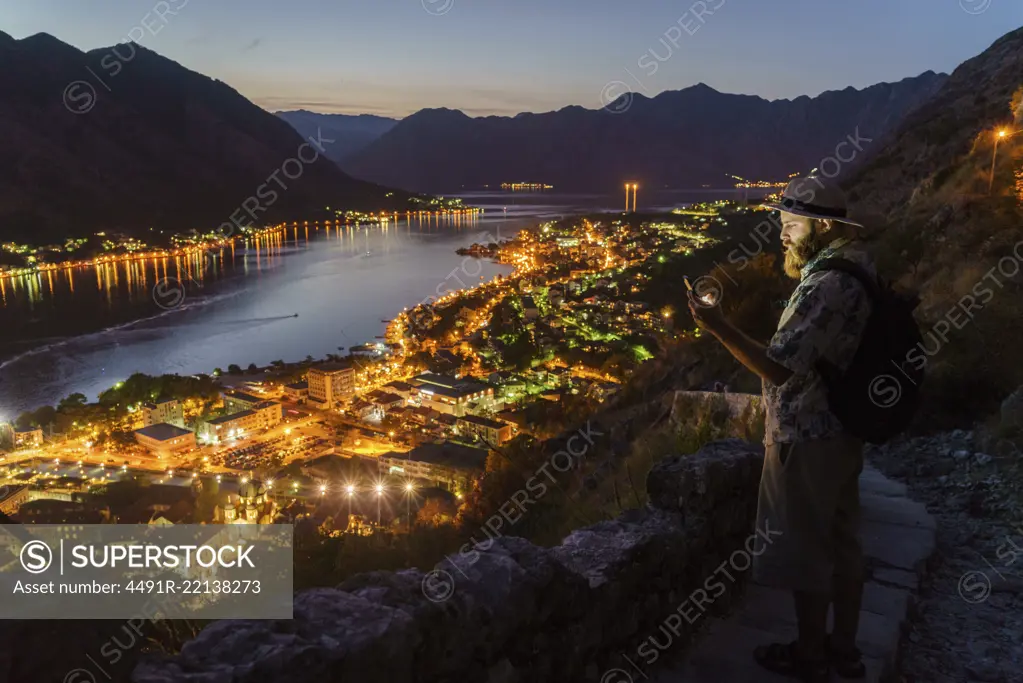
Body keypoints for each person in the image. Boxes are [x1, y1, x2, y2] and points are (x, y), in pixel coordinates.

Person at [688, 178, 874, 682]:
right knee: (842, 542)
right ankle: (844, 650)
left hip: (809, 434)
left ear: (824, 226)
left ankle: (811, 657)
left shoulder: (827, 284)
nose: (783, 237)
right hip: (843, 429)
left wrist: (717, 326)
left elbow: (781, 368)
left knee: (808, 548)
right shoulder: (859, 269)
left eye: (792, 226)